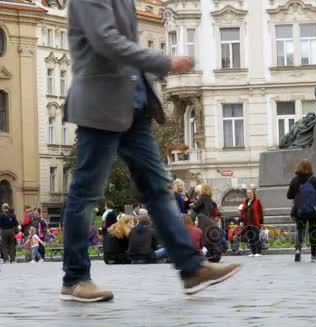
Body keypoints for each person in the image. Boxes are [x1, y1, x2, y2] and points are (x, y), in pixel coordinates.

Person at [61, 0, 240, 302]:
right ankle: (75, 278)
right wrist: (164, 62)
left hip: (134, 107)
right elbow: (106, 41)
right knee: (86, 192)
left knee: (159, 190)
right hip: (100, 105)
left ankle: (191, 269)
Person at [287, 160, 316, 262]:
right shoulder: (315, 181)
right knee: (313, 231)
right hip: (313, 211)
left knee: (300, 230)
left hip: (299, 210)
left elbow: (289, 196)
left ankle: (298, 250)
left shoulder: (295, 180)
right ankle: (313, 255)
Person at [239, 188, 264, 257]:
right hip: (247, 222)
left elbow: (260, 212)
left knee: (256, 237)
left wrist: (261, 222)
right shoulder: (245, 201)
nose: (248, 194)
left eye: (250, 193)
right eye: (247, 193)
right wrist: (241, 221)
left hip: (255, 222)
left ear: (253, 193)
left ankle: (258, 252)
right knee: (250, 238)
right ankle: (253, 252)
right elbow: (242, 212)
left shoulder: (257, 201)